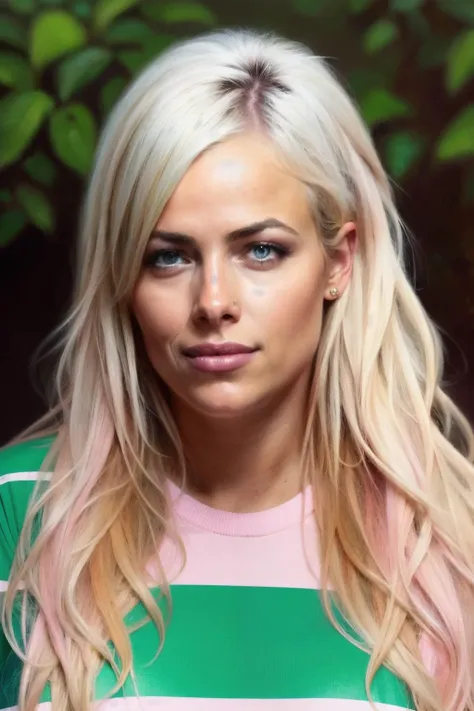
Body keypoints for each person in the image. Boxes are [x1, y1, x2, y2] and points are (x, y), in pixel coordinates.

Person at [1, 27, 473, 711]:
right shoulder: (20, 509)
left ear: (338, 261)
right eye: (169, 256)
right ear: (123, 277)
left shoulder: (447, 538)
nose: (213, 302)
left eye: (260, 251)